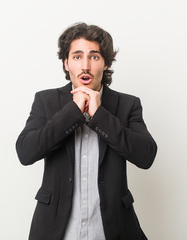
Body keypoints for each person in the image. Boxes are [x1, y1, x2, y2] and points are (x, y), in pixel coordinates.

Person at [16, 22, 157, 240]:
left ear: (105, 64)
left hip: (113, 230)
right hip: (56, 231)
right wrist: (72, 112)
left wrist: (100, 116)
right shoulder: (45, 101)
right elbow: (25, 152)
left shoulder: (127, 105)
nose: (85, 66)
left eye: (94, 56)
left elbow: (146, 156)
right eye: (77, 56)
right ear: (66, 64)